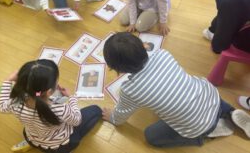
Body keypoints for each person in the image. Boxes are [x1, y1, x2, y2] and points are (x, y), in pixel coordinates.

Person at [101, 32, 250, 147]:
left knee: (150, 136)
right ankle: (229, 111)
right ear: (144, 46)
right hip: (211, 97)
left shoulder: (129, 90)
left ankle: (207, 133)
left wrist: (113, 118)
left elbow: (121, 114)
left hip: (196, 126)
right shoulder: (163, 54)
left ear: (117, 69)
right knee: (199, 89)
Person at [0, 59, 102, 152]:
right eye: (56, 81)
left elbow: (1, 107)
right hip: (58, 146)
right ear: (48, 92)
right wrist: (72, 98)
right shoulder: (60, 109)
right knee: (96, 110)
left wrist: (8, 80)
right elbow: (77, 120)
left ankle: (31, 144)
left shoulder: (15, 102)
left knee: (35, 138)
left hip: (32, 138)